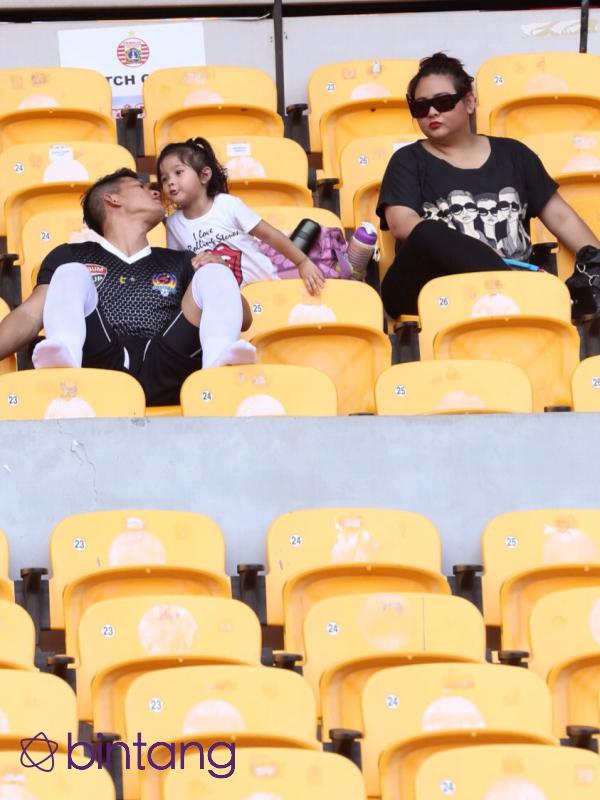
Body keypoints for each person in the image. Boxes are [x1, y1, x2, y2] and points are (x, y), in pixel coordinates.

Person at [0, 168, 256, 406]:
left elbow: (243, 319)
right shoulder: (70, 254)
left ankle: (217, 371)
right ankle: (65, 362)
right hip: (99, 364)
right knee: (70, 272)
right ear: (112, 200)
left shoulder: (182, 259)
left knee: (212, 270)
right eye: (142, 187)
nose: (158, 191)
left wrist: (220, 269)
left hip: (169, 362)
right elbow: (30, 315)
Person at [377, 52, 600, 318]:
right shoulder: (407, 160)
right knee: (427, 232)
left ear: (469, 101)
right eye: (420, 107)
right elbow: (403, 225)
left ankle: (518, 292)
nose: (432, 112)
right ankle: (522, 292)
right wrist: (475, 252)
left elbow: (562, 218)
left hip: (510, 292)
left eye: (444, 102)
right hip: (432, 292)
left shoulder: (514, 155)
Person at [156, 137, 325, 295]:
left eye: (178, 172)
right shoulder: (173, 223)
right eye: (164, 179)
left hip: (264, 287)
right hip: (222, 302)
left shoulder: (227, 204)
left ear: (204, 175)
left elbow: (269, 235)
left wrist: (302, 262)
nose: (170, 182)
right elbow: (178, 267)